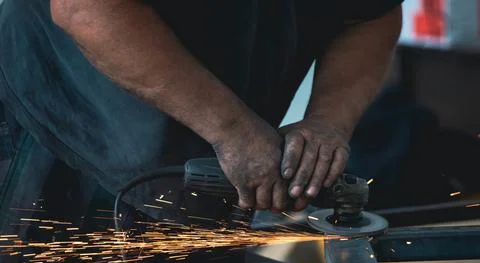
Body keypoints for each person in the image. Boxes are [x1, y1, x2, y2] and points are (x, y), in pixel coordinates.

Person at [0, 0, 403, 213]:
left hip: (207, 157)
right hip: (59, 128)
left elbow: (370, 16)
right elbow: (87, 8)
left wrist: (327, 123)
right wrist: (233, 132)